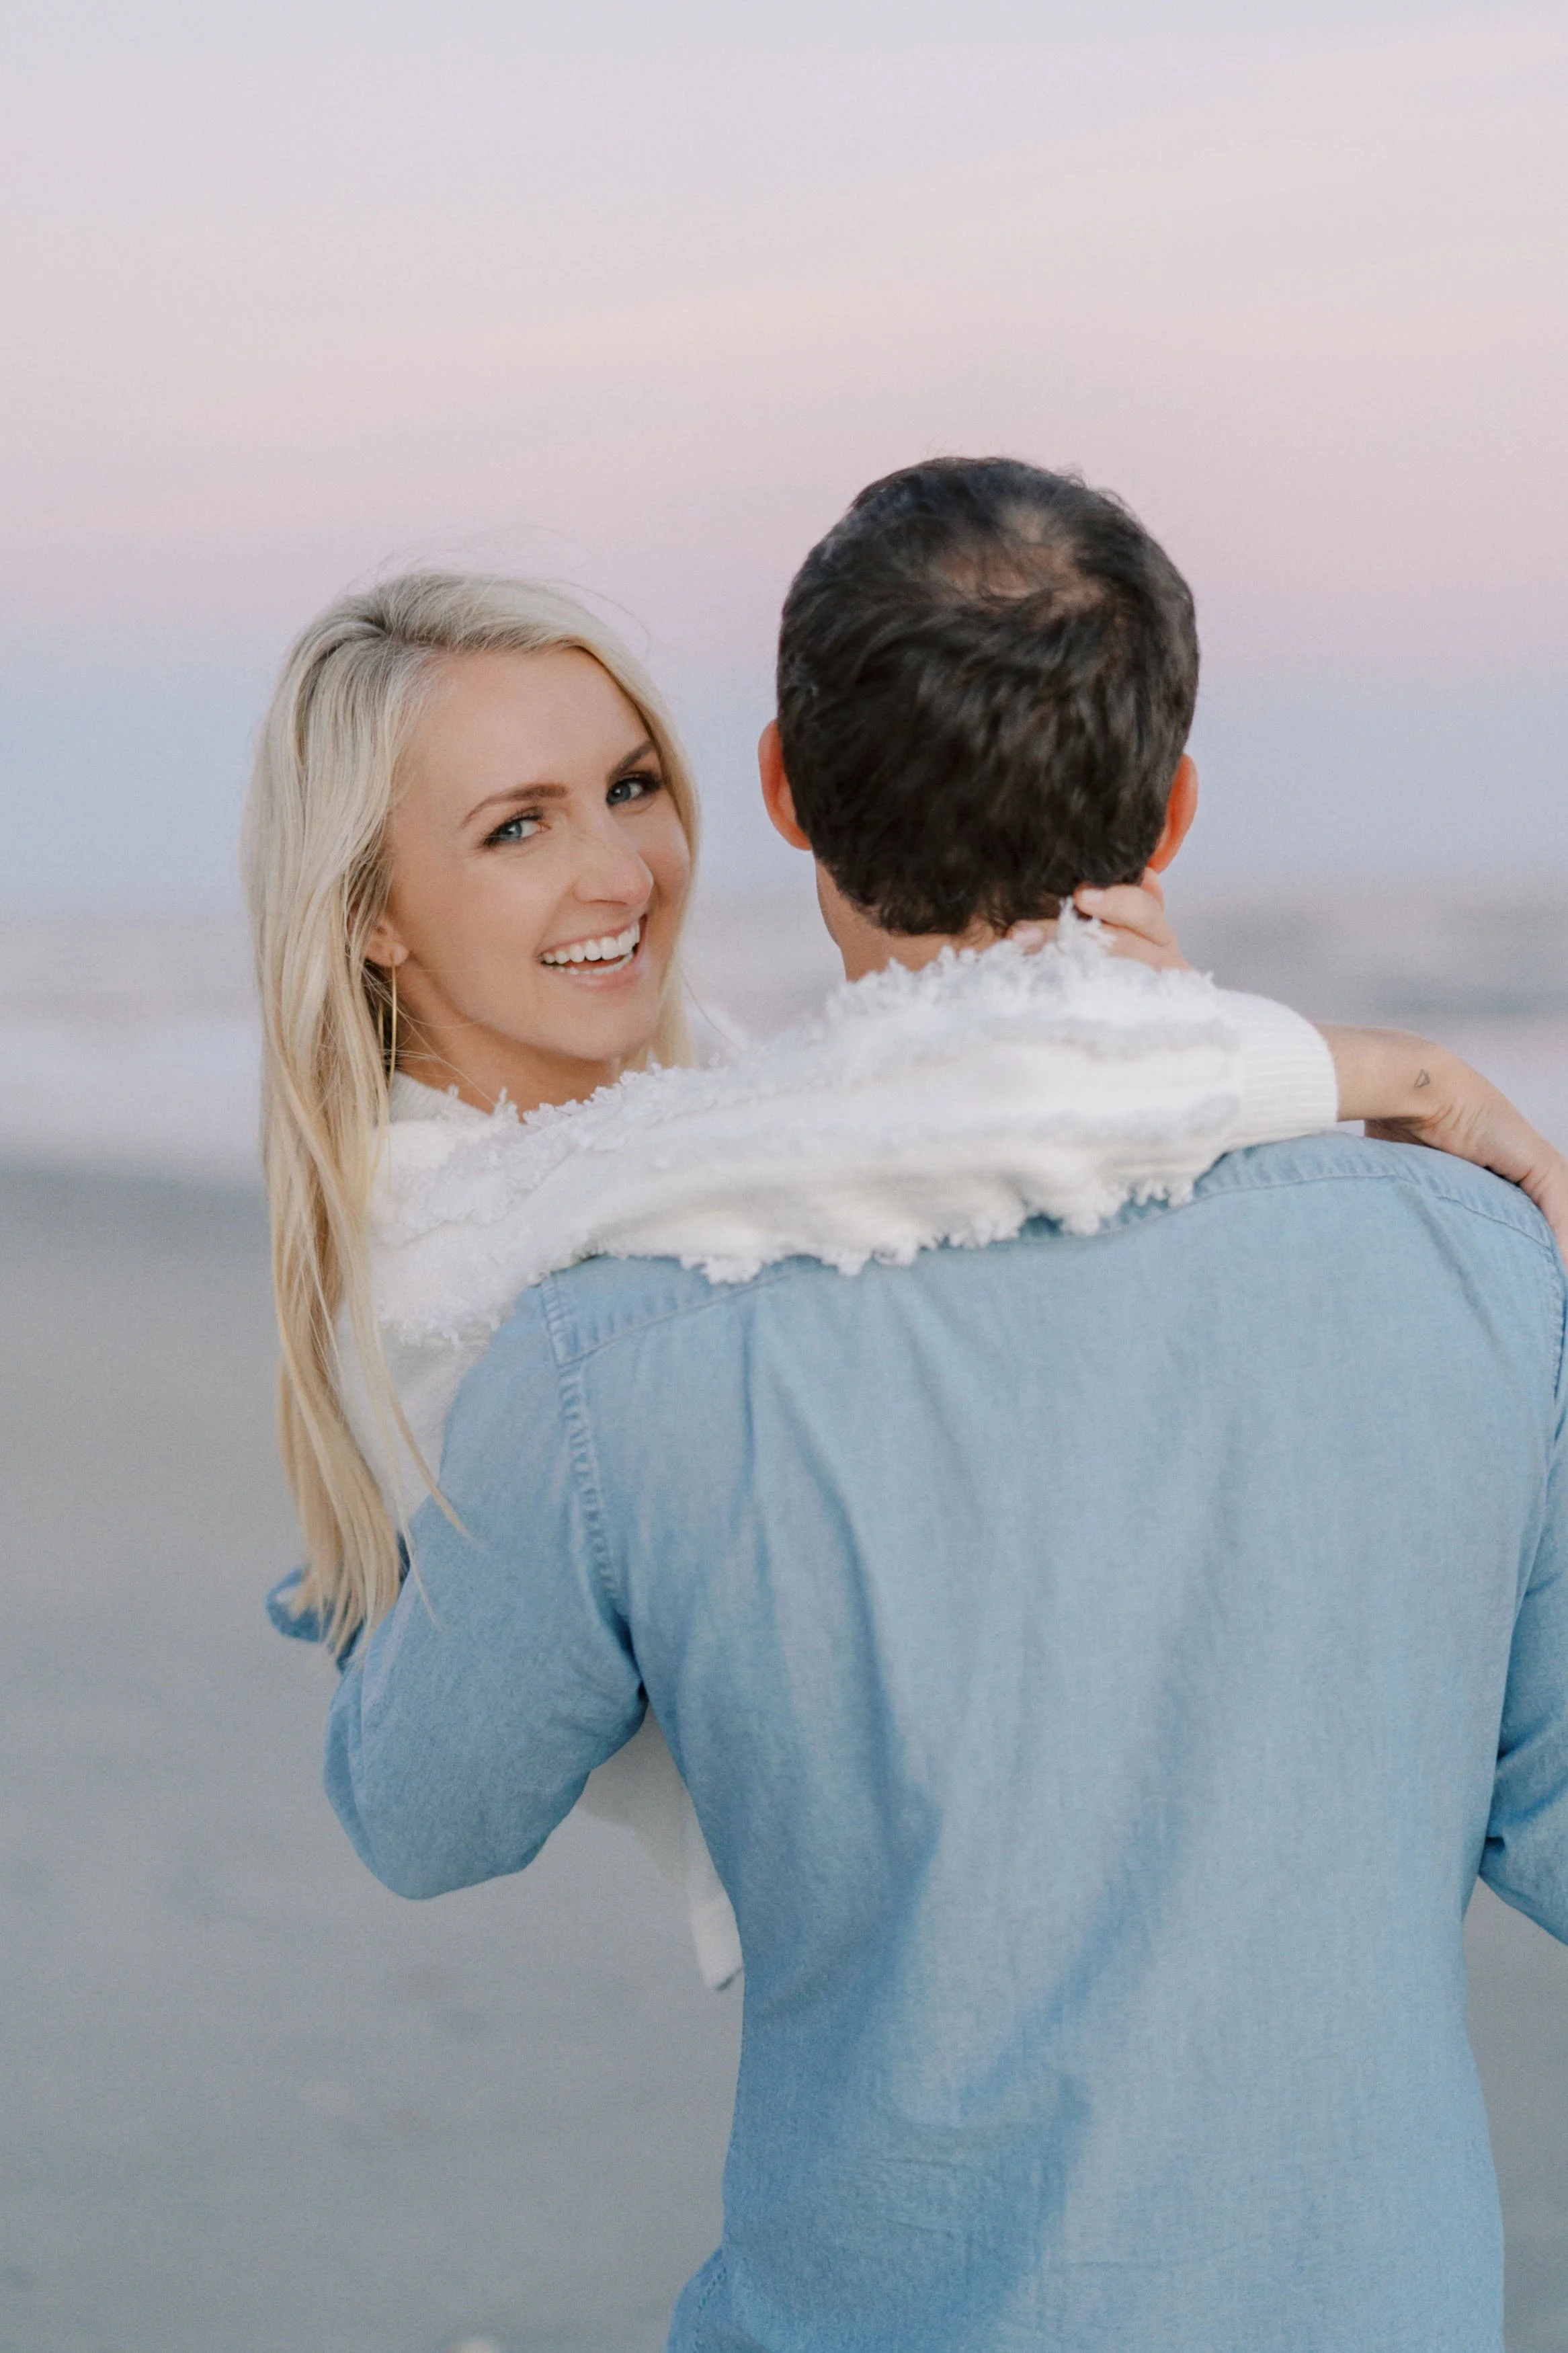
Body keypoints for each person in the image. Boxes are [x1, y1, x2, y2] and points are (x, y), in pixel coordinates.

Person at [313, 460, 1568, 2350]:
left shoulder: (609, 1342)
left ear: (786, 792)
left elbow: (421, 1807)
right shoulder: (1469, 1264)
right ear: (1171, 805)